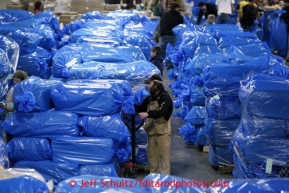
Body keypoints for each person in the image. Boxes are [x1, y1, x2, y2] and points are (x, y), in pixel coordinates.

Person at [136, 74, 173, 174]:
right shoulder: (149, 98)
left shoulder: (165, 97)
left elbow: (161, 111)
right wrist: (131, 103)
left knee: (163, 158)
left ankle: (164, 180)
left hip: (163, 132)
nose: (148, 86)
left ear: (156, 85)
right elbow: (140, 108)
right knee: (152, 157)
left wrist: (147, 113)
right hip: (152, 132)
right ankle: (154, 178)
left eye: (150, 84)